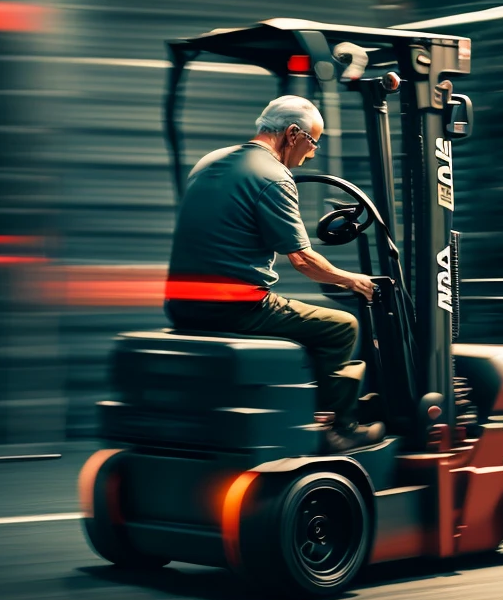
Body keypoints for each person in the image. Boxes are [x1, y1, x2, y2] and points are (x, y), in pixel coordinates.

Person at [165, 94, 384, 452]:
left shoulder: (209, 162)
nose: (311, 154)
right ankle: (341, 429)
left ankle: (307, 410)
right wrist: (354, 281)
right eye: (312, 142)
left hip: (181, 304)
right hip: (235, 308)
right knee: (341, 326)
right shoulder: (275, 177)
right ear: (293, 133)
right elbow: (303, 261)